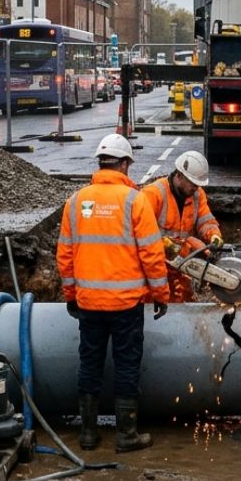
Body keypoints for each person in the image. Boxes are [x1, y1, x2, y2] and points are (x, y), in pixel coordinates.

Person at [57, 133, 169, 453]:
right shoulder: (135, 201)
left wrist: (70, 295)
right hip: (126, 304)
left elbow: (64, 255)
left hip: (89, 303)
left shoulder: (76, 201)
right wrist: (161, 294)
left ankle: (89, 435)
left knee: (89, 364)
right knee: (127, 365)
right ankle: (126, 435)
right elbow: (151, 253)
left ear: (100, 163)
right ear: (124, 165)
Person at [139, 150, 224, 302]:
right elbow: (139, 232)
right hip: (157, 266)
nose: (196, 188)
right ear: (179, 175)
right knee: (155, 301)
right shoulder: (153, 194)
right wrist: (166, 245)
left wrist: (214, 235)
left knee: (184, 303)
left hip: (181, 264)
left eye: (198, 185)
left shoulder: (197, 195)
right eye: (193, 183)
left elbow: (205, 220)